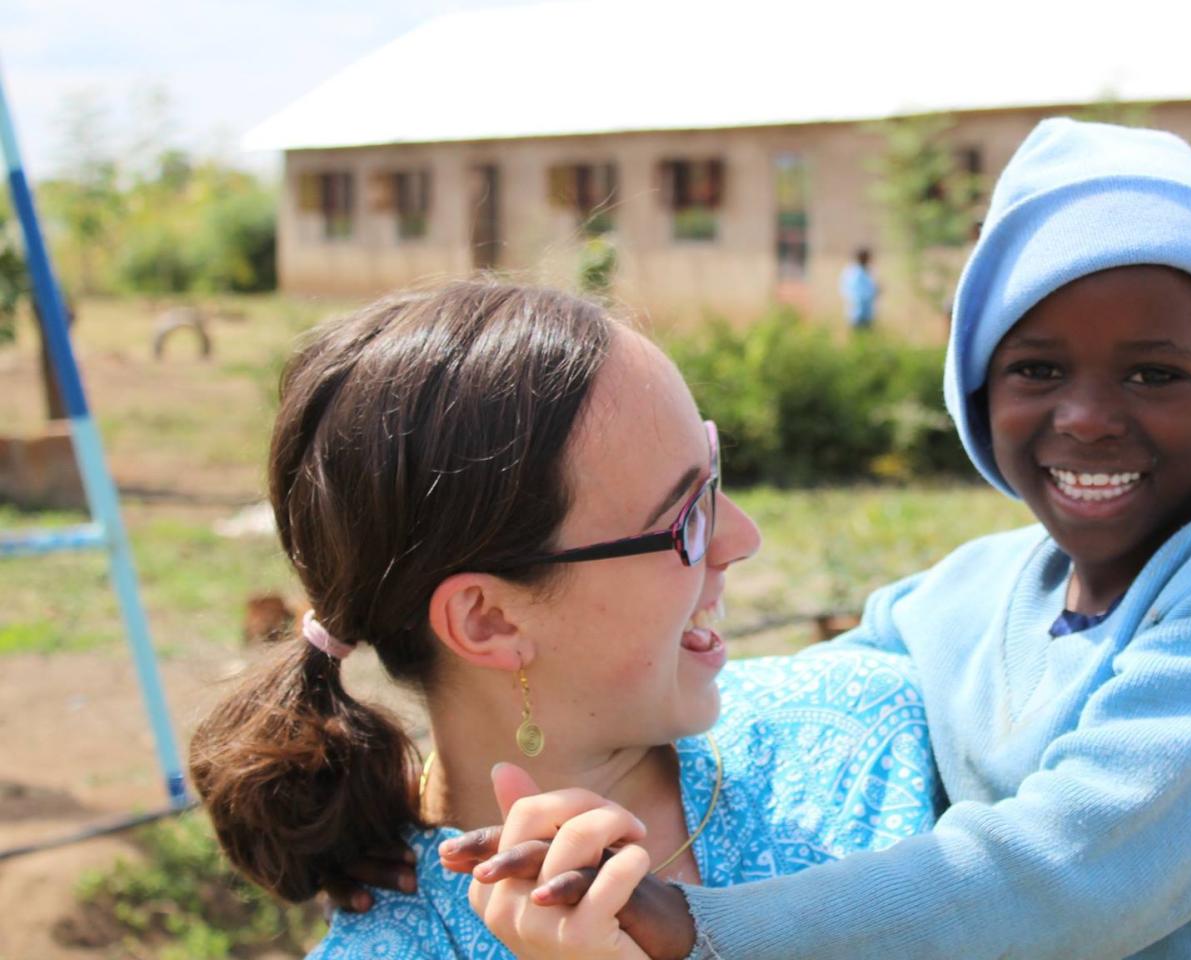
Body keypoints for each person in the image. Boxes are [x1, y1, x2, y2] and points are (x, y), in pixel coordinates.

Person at [460, 118, 1191, 959]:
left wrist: (706, 927)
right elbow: (781, 705)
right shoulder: (970, 596)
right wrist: (434, 761)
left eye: (1153, 375)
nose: (1085, 418)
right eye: (1037, 368)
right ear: (977, 392)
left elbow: (1070, 868)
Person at [185, 281, 939, 958]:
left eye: (713, 475)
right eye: (686, 519)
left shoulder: (866, 732)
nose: (743, 539)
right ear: (487, 620)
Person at [838, 247, 878, 331]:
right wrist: (874, 292)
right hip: (857, 314)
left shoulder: (867, 271)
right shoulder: (854, 273)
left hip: (867, 313)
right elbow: (858, 293)